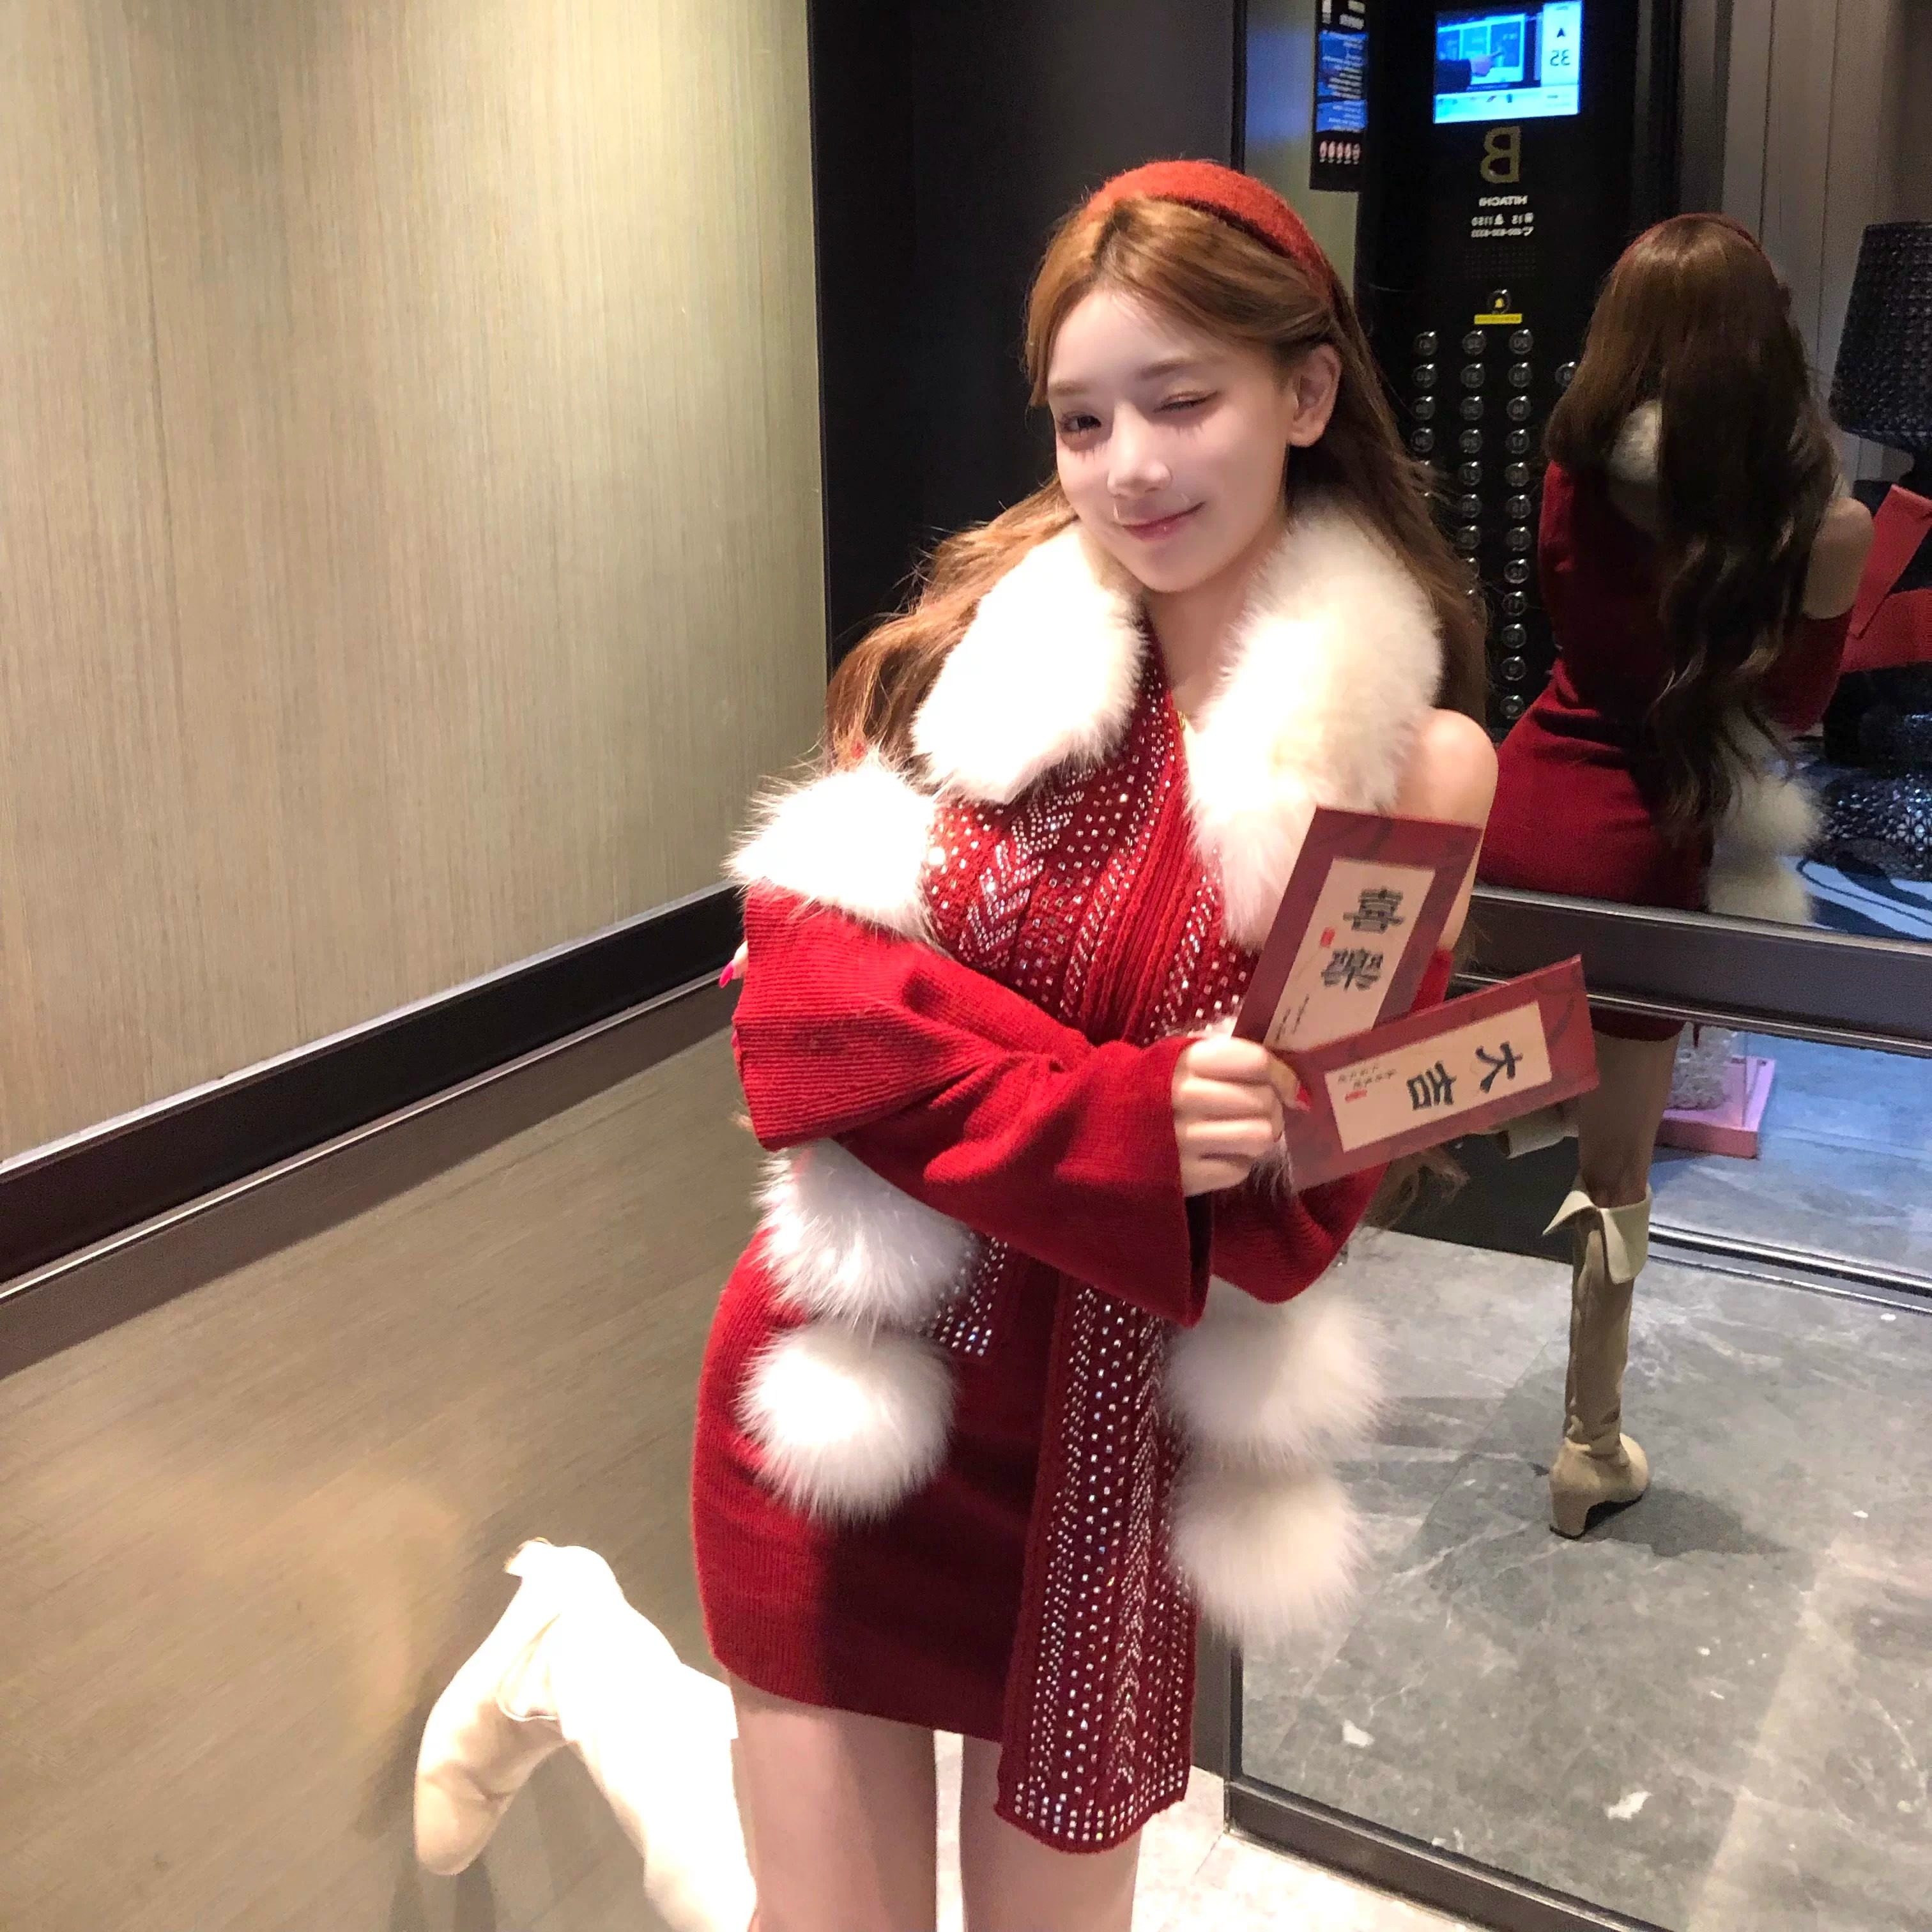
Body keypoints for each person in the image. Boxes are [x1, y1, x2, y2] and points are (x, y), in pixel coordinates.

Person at [413, 160, 1498, 1931]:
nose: (1129, 465)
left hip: (1101, 1468)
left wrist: (1017, 1092)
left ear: (1308, 393)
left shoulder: (1406, 765)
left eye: (1182, 401)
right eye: (1083, 418)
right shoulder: (963, 677)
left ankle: (575, 1656)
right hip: (849, 1402)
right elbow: (807, 1026)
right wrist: (1126, 1119)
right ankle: (584, 1655)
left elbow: (1292, 1210)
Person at [1480, 213, 1875, 1538]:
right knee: (1618, 1171)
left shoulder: (1572, 468)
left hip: (1523, 798)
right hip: (1647, 849)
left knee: (1452, 1082)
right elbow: (1792, 715)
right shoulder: (1821, 528)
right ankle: (1588, 1446)